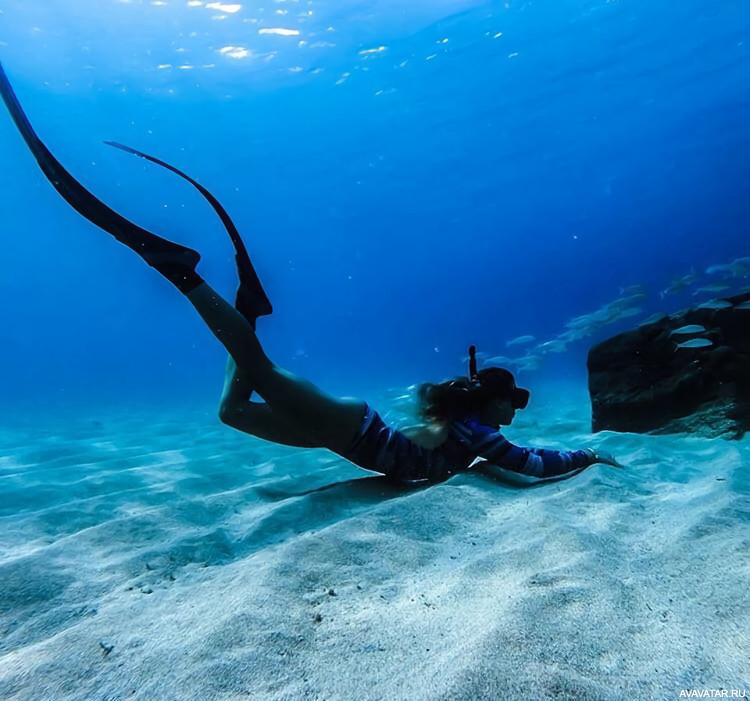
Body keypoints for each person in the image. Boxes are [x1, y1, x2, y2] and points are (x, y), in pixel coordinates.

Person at [0, 64, 624, 484]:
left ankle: (247, 305)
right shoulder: (478, 428)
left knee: (233, 412)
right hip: (348, 428)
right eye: (512, 400)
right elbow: (529, 462)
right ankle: (181, 271)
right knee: (261, 369)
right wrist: (588, 456)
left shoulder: (467, 426)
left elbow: (488, 452)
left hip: (349, 437)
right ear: (490, 399)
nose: (515, 410)